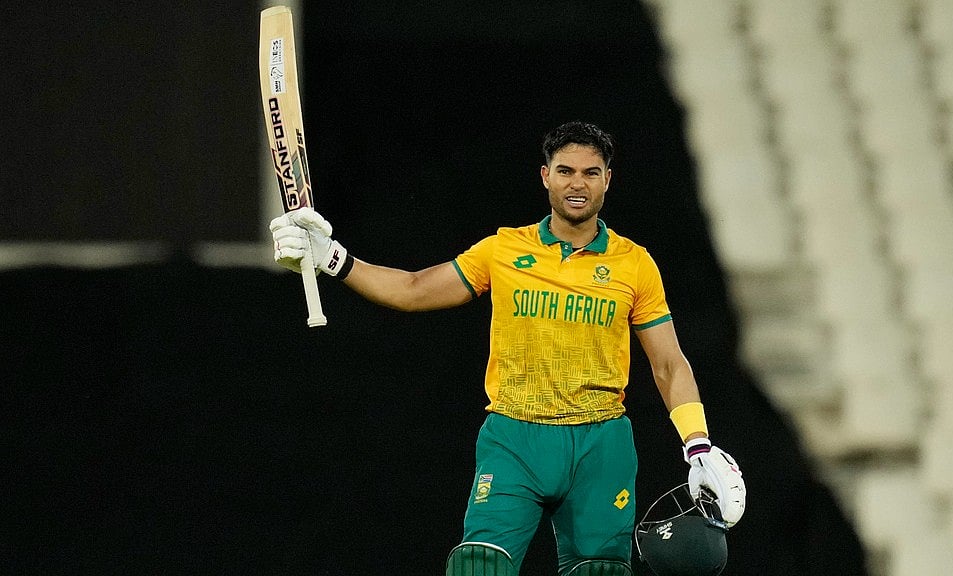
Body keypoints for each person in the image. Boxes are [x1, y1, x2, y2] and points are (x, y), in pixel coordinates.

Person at [269, 121, 745, 576]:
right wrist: (333, 260)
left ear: (607, 181)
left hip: (601, 444)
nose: (576, 184)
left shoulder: (634, 264)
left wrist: (697, 444)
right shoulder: (502, 250)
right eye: (565, 171)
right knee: (479, 566)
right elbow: (415, 289)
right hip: (514, 438)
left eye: (590, 173)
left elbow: (668, 363)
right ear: (545, 177)